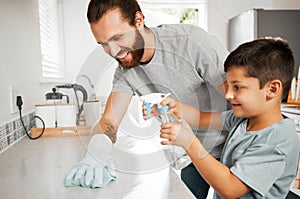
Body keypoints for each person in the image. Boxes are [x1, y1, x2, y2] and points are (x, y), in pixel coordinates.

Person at [87, 0, 230, 197]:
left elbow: (242, 103)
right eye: (103, 44)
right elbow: (109, 122)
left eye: (118, 37)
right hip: (191, 153)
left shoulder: (191, 43)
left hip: (233, 146)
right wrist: (98, 149)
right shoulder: (125, 71)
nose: (113, 52)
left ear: (138, 20)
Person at [159, 37, 300, 198]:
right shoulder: (242, 119)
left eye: (237, 87)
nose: (228, 95)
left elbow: (230, 188)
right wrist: (175, 108)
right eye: (229, 86)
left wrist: (190, 143)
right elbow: (201, 118)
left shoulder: (277, 141)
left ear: (272, 89)